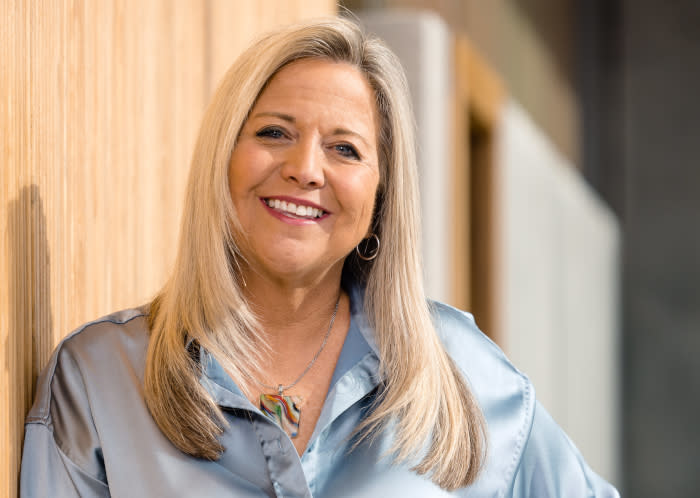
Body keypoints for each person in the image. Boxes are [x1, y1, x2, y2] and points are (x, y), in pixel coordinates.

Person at [20, 17, 619, 497]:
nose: (306, 169)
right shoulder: (100, 383)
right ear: (222, 161)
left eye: (344, 148)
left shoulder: (464, 377)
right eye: (274, 132)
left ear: (381, 197)